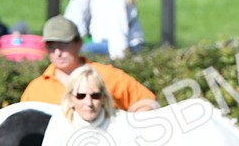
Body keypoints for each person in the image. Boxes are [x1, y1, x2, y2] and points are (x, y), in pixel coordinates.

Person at [20, 16, 157, 111]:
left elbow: (148, 103)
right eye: (51, 46)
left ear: (79, 43)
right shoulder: (35, 89)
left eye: (63, 45)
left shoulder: (107, 76)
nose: (58, 53)